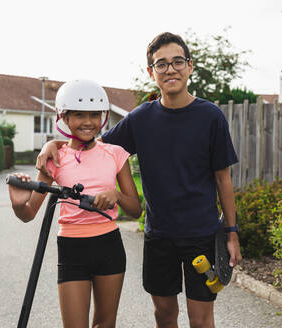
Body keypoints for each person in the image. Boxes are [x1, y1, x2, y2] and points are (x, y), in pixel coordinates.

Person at [36, 32, 242, 328]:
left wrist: (231, 234)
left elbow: (223, 179)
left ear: (190, 66)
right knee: (164, 315)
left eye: (177, 62)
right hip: (159, 236)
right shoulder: (140, 119)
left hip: (202, 235)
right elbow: (92, 145)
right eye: (161, 64)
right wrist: (53, 144)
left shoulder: (210, 116)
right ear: (151, 72)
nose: (170, 69)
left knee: (201, 320)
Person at [8, 79, 142, 328]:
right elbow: (28, 214)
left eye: (94, 114)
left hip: (109, 247)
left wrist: (117, 196)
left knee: (105, 325)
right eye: (79, 114)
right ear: (64, 118)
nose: (88, 122)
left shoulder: (115, 154)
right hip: (72, 250)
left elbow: (135, 210)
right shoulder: (54, 158)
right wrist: (18, 204)